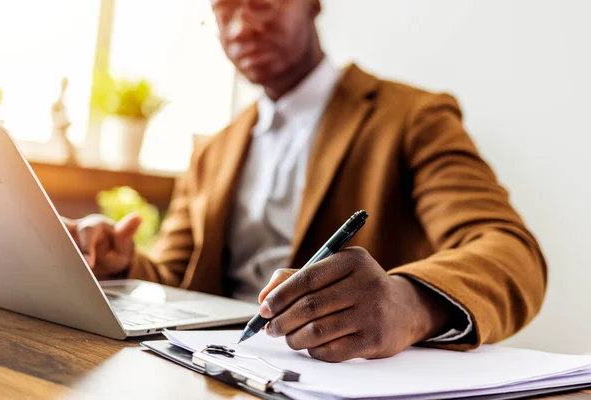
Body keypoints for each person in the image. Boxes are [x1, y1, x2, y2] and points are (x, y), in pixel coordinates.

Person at [64, 0, 547, 362]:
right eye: (222, 9)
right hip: (218, 367)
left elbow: (508, 249)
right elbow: (175, 277)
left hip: (334, 376)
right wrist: (123, 261)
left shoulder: (412, 117)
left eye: (260, 2)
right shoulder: (214, 149)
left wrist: (408, 302)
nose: (240, 26)